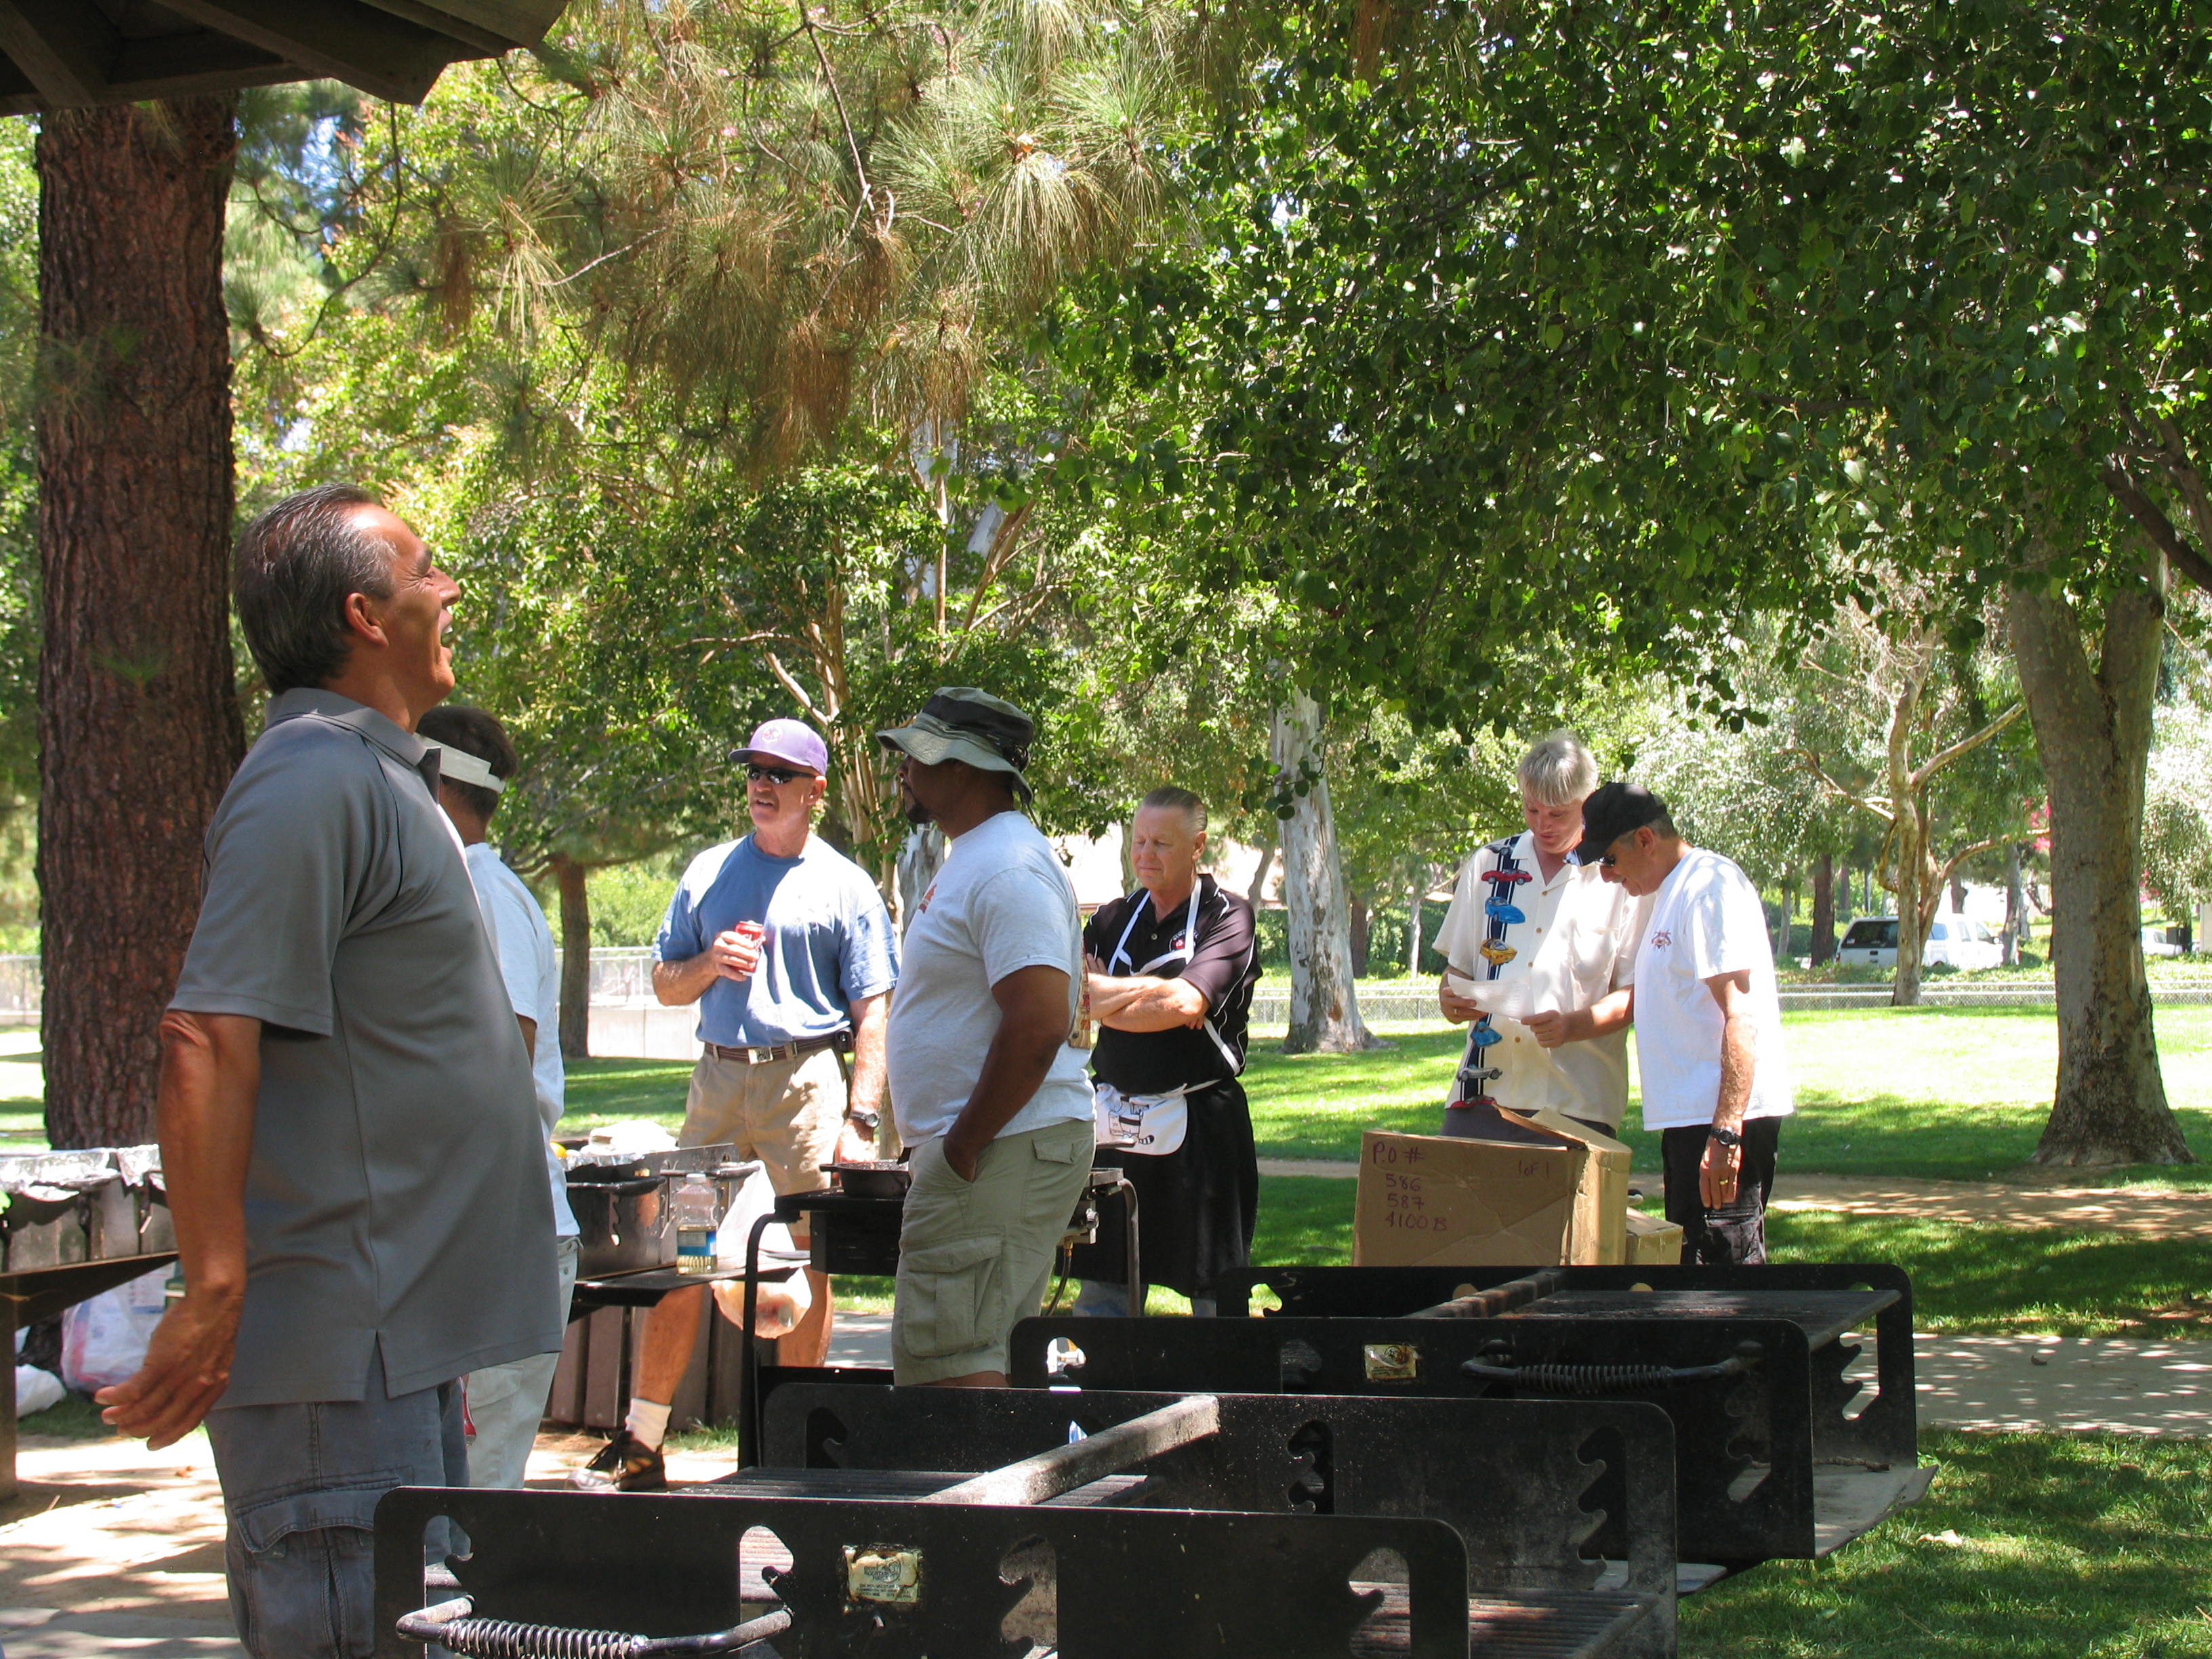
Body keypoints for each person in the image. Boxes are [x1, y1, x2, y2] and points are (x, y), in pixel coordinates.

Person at [96, 485, 561, 1659]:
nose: (448, 587)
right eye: (422, 571)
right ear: (362, 614)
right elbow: (205, 1032)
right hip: (335, 1371)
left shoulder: (377, 773)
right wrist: (211, 1291)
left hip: (394, 1357)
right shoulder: (307, 775)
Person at [575, 717, 897, 1492]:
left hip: (805, 1084)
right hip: (717, 1082)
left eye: (779, 774)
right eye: (752, 770)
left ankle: (794, 1451)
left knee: (812, 1260)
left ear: (815, 791)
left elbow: (874, 1011)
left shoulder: (846, 885)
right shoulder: (709, 872)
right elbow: (662, 980)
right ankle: (644, 1444)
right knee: (682, 1257)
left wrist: (861, 1119)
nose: (761, 785)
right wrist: (707, 965)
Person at [878, 689, 1095, 1387]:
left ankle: (974, 1498)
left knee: (953, 1369)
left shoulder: (1005, 866)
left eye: (919, 753)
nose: (904, 768)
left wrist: (965, 1144)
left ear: (966, 767)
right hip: (997, 1146)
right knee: (969, 1356)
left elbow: (1038, 1022)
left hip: (997, 1147)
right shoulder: (982, 856)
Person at [417, 703, 580, 1492]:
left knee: (476, 1495)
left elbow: (503, 1053)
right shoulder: (456, 887)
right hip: (476, 1235)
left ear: (432, 781)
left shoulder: (484, 893)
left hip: (504, 1235)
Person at [1555, 782, 1795, 1264]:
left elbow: (1740, 1016)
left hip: (1721, 1120)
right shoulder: (1669, 892)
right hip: (1690, 1121)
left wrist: (1726, 1133)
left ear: (1645, 840)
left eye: (1611, 860)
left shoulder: (1709, 889)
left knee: (1725, 1272)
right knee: (1695, 1269)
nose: (1606, 876)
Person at [1071, 787, 1260, 1317]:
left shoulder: (1228, 918)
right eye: (1139, 841)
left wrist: (1110, 996)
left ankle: (1223, 1396)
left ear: (1198, 845)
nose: (1146, 855)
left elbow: (1184, 1002)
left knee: (1213, 1294)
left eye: (1162, 843)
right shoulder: (1111, 919)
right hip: (1115, 1124)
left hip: (1201, 1130)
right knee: (1104, 1287)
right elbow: (1074, 999)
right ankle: (1105, 1391)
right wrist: (1155, 993)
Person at [1433, 730, 1646, 1137]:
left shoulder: (1620, 875)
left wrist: (1572, 1026)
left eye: (1558, 814)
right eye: (1532, 810)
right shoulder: (1489, 865)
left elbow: (1636, 994)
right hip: (1482, 1095)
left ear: (1588, 803)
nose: (1542, 825)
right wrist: (1451, 998)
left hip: (1578, 1100)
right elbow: (1457, 969)